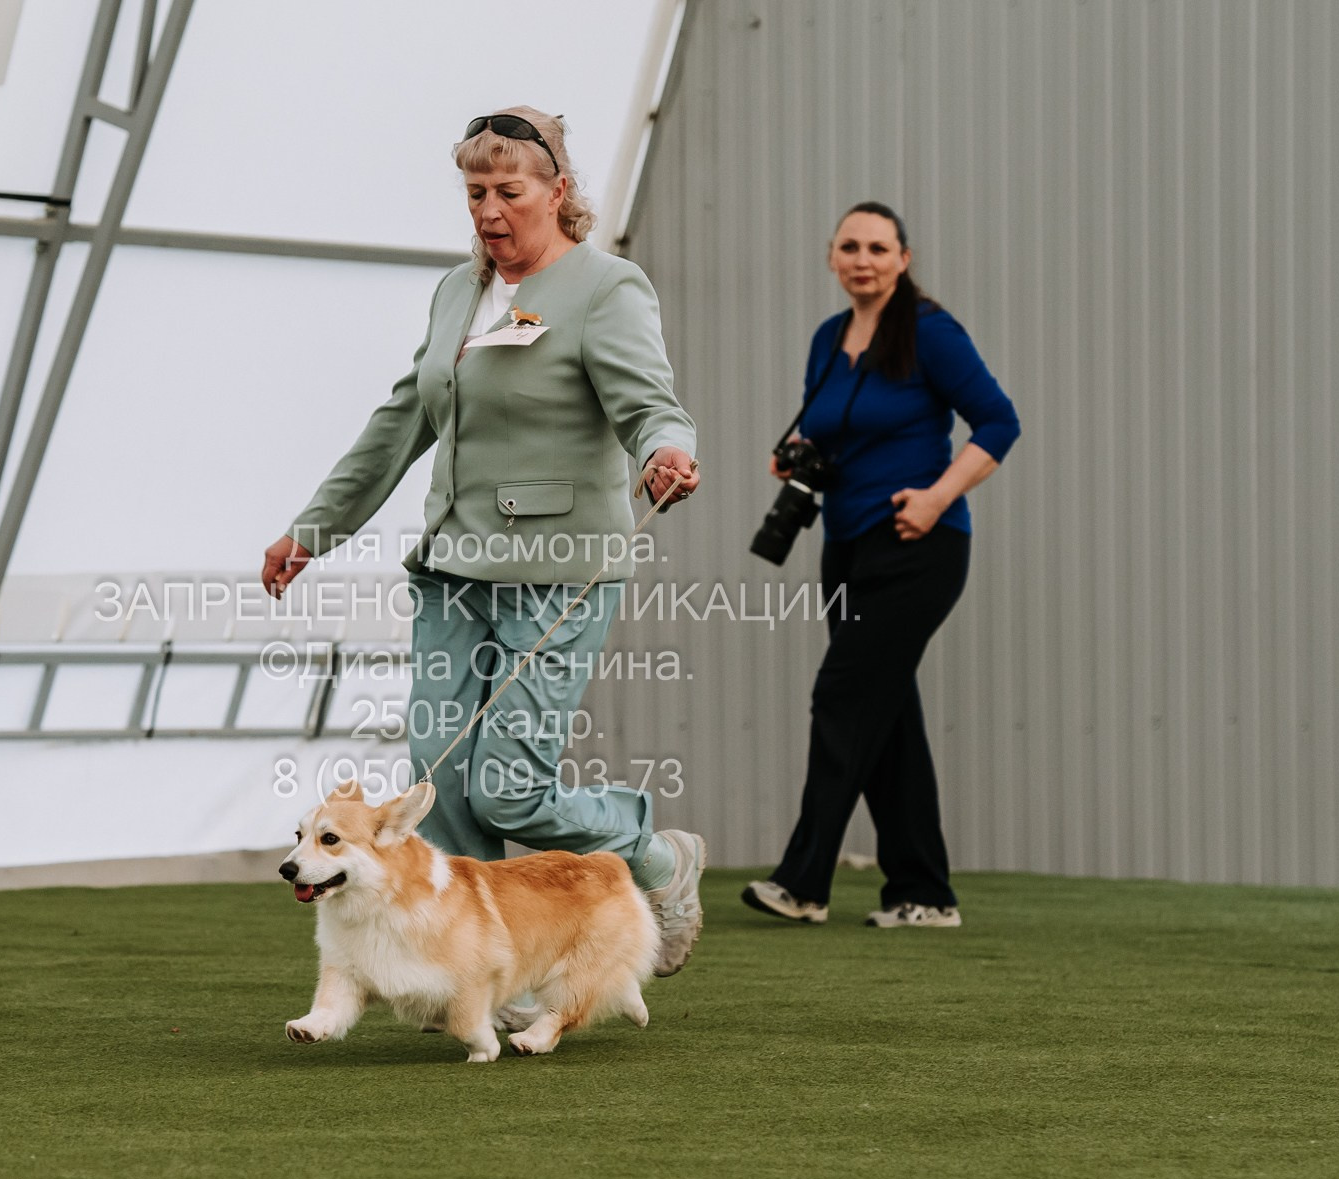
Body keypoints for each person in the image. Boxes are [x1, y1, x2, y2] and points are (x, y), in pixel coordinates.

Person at [260, 107, 708, 975]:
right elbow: (400, 422)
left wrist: (666, 451)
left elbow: (650, 402)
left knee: (511, 789)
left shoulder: (604, 288)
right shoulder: (457, 291)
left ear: (558, 192)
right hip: (453, 572)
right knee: (444, 787)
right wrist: (313, 528)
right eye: (475, 193)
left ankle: (653, 854)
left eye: (509, 191)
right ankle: (482, 972)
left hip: (560, 573)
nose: (490, 211)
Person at [742, 202, 1019, 929]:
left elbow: (999, 421)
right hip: (845, 546)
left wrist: (935, 497)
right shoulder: (829, 339)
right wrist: (799, 457)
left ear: (903, 258)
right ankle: (923, 892)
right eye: (849, 246)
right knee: (886, 715)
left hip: (920, 545)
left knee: (842, 696)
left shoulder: (931, 332)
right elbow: (833, 432)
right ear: (832, 258)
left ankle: (804, 881)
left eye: (878, 247)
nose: (863, 258)